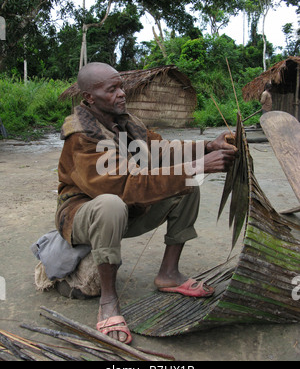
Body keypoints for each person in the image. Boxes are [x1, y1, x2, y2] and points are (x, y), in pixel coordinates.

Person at [55, 62, 237, 344]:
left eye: (121, 86)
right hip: (82, 212)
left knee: (187, 184)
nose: (121, 93)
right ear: (89, 97)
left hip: (126, 209)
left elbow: (160, 151)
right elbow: (124, 187)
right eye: (111, 89)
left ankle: (169, 274)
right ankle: (108, 299)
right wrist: (198, 165)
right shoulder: (82, 136)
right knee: (110, 204)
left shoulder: (126, 122)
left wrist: (206, 147)